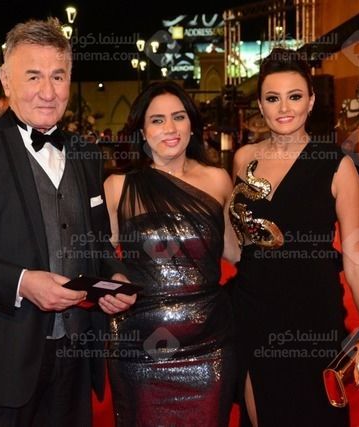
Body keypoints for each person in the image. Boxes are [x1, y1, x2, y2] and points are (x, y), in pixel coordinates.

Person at [0, 18, 136, 427]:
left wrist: (114, 277)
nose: (48, 92)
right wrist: (20, 283)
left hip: (75, 355)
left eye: (58, 76)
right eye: (33, 76)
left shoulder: (86, 154)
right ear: (6, 80)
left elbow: (98, 244)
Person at [229, 49, 359, 426]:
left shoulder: (337, 166)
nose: (284, 108)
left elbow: (355, 259)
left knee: (315, 414)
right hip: (252, 310)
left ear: (311, 101)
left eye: (295, 96)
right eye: (273, 98)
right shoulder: (243, 159)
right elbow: (237, 243)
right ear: (260, 106)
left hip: (312, 313)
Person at [103, 81, 239, 426]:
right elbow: (101, 254)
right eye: (157, 120)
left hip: (210, 346)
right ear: (142, 131)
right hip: (140, 348)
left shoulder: (218, 180)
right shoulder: (119, 186)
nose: (170, 128)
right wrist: (111, 281)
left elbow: (234, 251)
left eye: (178, 117)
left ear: (192, 124)